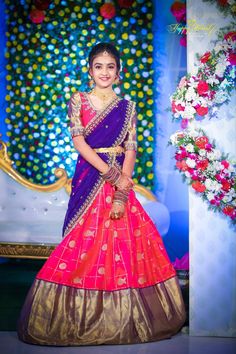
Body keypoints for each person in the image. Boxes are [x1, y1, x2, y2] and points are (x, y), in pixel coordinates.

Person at [17, 42, 186, 346]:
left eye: (110, 67)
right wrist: (111, 175)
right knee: (83, 243)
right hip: (90, 177)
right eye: (99, 66)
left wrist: (123, 186)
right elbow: (79, 143)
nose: (104, 72)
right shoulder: (78, 100)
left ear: (118, 72)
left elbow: (131, 148)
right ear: (90, 70)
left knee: (124, 245)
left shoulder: (127, 107)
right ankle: (74, 318)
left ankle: (127, 318)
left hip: (120, 181)